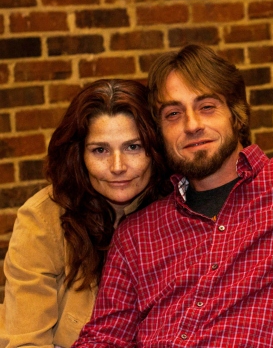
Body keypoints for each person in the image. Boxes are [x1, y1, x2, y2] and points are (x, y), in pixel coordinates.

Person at [72, 43, 273, 347]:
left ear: (236, 113)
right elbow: (102, 340)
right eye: (173, 114)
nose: (191, 125)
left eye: (207, 107)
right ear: (158, 132)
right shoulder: (136, 236)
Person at [0, 79, 170, 347]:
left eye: (133, 147)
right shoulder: (43, 219)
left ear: (156, 149)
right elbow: (26, 339)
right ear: (78, 155)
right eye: (100, 150)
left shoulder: (179, 210)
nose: (117, 166)